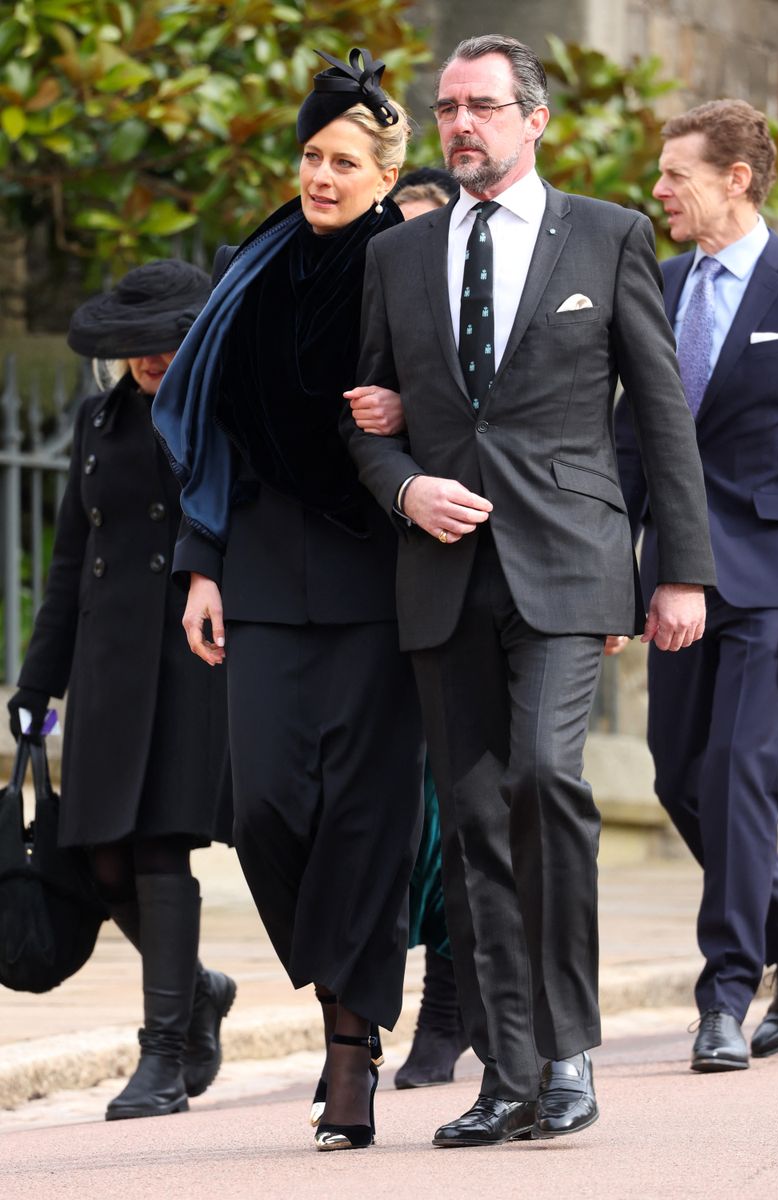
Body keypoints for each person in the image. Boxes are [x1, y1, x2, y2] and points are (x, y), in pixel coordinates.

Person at [341, 33, 716, 1147]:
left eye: (483, 107)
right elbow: (368, 421)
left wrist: (679, 569)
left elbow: (658, 416)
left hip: (569, 564)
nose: (461, 124)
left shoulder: (606, 237)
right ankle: (505, 1074)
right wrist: (405, 489)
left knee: (546, 781)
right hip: (442, 572)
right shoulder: (395, 260)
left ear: (532, 119)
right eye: (448, 107)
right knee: (469, 818)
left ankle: (566, 1053)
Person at [152, 48, 424, 1153]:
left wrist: (402, 402)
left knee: (363, 818)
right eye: (311, 155)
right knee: (264, 803)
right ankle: (340, 970)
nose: (320, 176)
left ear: (379, 171)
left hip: (373, 577)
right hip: (259, 570)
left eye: (343, 161)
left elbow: (456, 399)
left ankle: (349, 1051)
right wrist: (202, 565)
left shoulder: (408, 266)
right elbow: (209, 429)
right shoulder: (248, 270)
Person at [6, 260, 235, 1121]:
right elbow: (70, 561)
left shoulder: (221, 415)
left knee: (158, 846)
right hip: (105, 664)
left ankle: (164, 1057)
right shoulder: (94, 421)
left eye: (165, 343)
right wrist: (37, 683)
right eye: (134, 346)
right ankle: (199, 989)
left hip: (190, 656)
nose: (150, 360)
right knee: (100, 861)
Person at [614, 99, 778, 1073]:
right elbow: (629, 445)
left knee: (733, 773)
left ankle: (725, 994)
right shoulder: (657, 283)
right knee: (677, 778)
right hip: (670, 580)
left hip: (773, 581)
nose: (656, 191)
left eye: (674, 172)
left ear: (734, 177)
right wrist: (611, 579)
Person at [385, 169, 470, 1092]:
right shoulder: (368, 297)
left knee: (452, 810)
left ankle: (447, 1013)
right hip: (369, 584)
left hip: (466, 573)